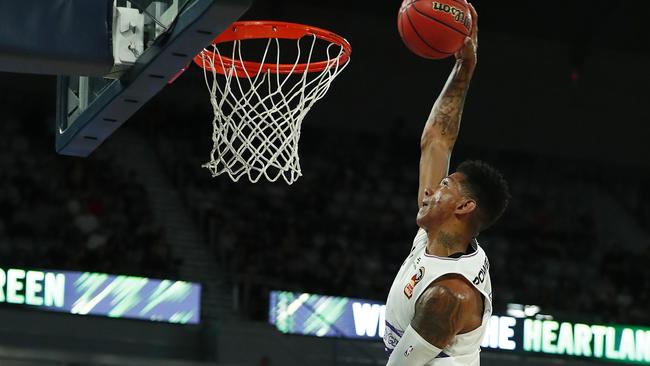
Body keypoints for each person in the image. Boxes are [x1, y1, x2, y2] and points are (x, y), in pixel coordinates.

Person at [384, 5, 510, 365]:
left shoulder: (448, 294)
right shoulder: (437, 238)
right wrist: (465, 66)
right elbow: (437, 139)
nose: (429, 190)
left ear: (464, 206)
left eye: (444, 185)